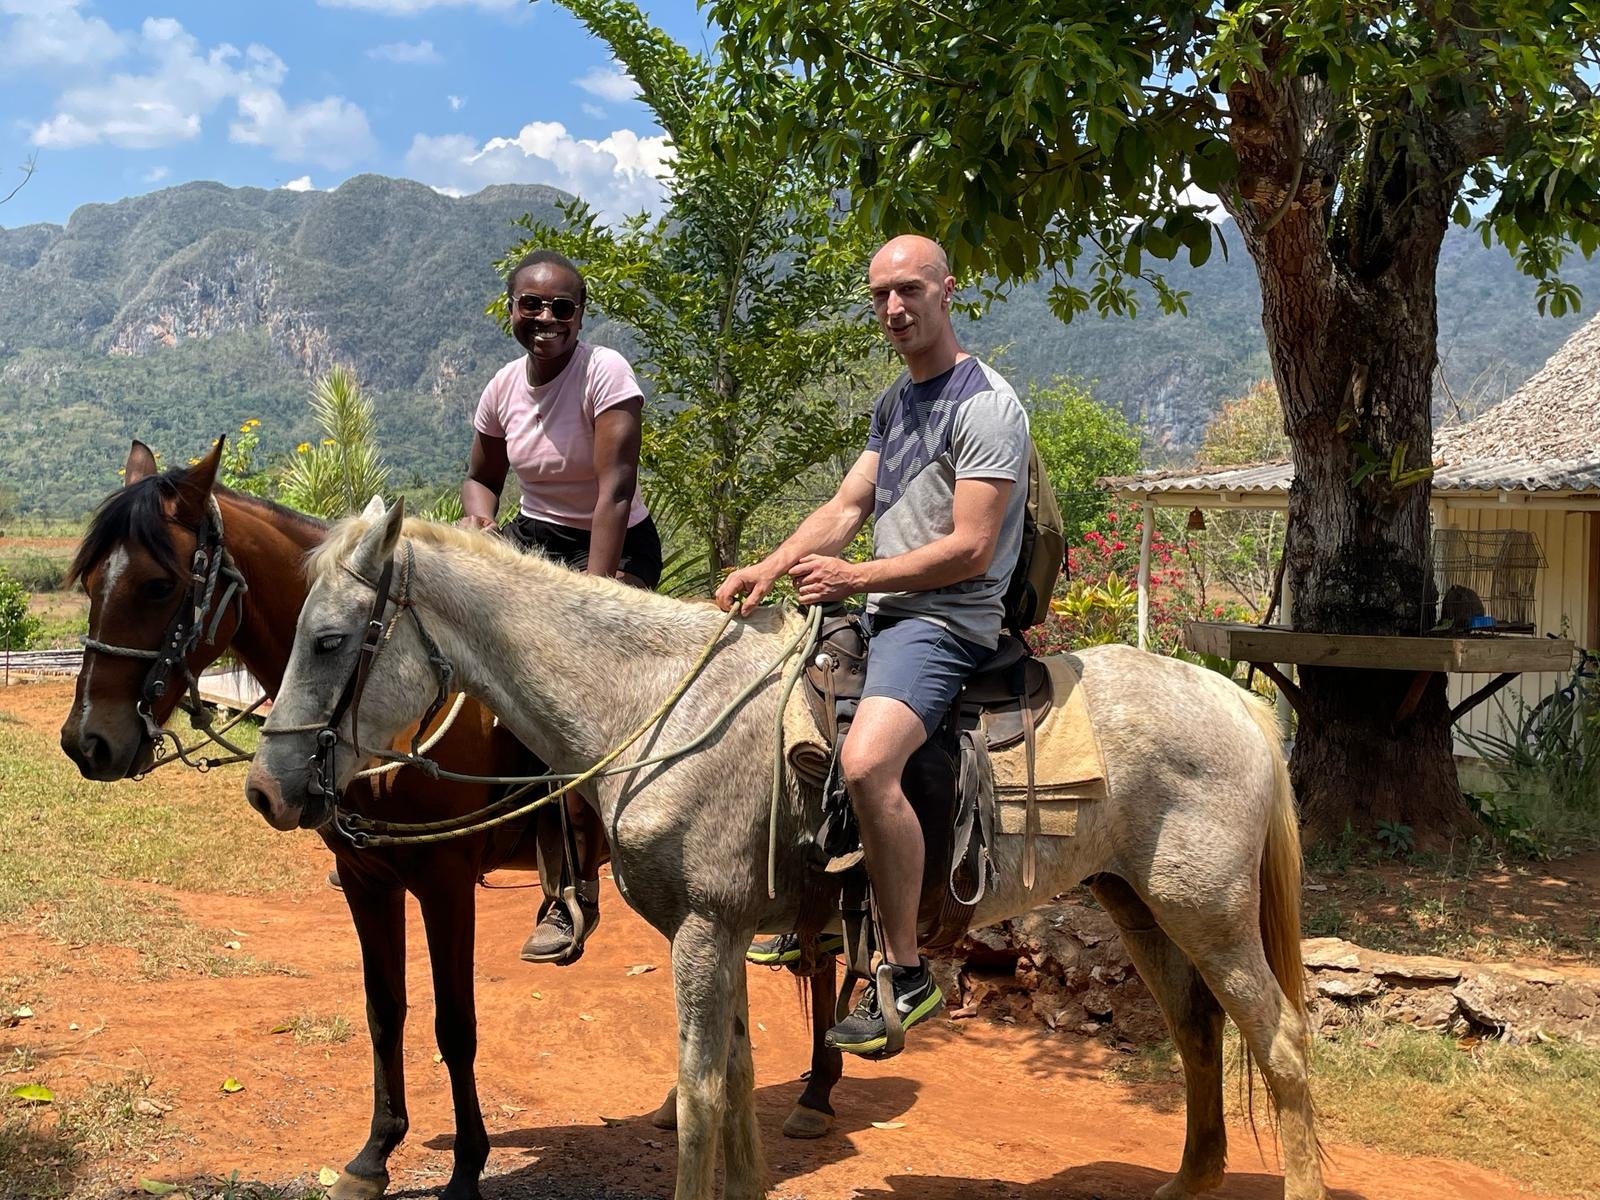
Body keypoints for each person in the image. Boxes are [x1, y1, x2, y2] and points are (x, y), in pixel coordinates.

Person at [716, 234, 1029, 1056]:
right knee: (778, 714)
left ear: (947, 291)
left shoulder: (985, 404)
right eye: (881, 296)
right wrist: (772, 563)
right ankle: (811, 917)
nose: (894, 308)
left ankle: (907, 968)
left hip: (945, 620)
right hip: (883, 609)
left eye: (909, 291)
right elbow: (847, 503)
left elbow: (969, 547)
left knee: (864, 764)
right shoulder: (897, 403)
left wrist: (856, 581)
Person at [462, 248, 662, 964]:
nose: (545, 318)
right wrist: (479, 524)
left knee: (562, 702)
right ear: (509, 310)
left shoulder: (605, 374)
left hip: (613, 549)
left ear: (581, 316)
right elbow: (481, 478)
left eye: (561, 307)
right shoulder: (501, 387)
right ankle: (436, 823)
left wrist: (591, 601)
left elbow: (615, 489)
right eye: (532, 305)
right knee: (438, 640)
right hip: (534, 542)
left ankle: (571, 893)